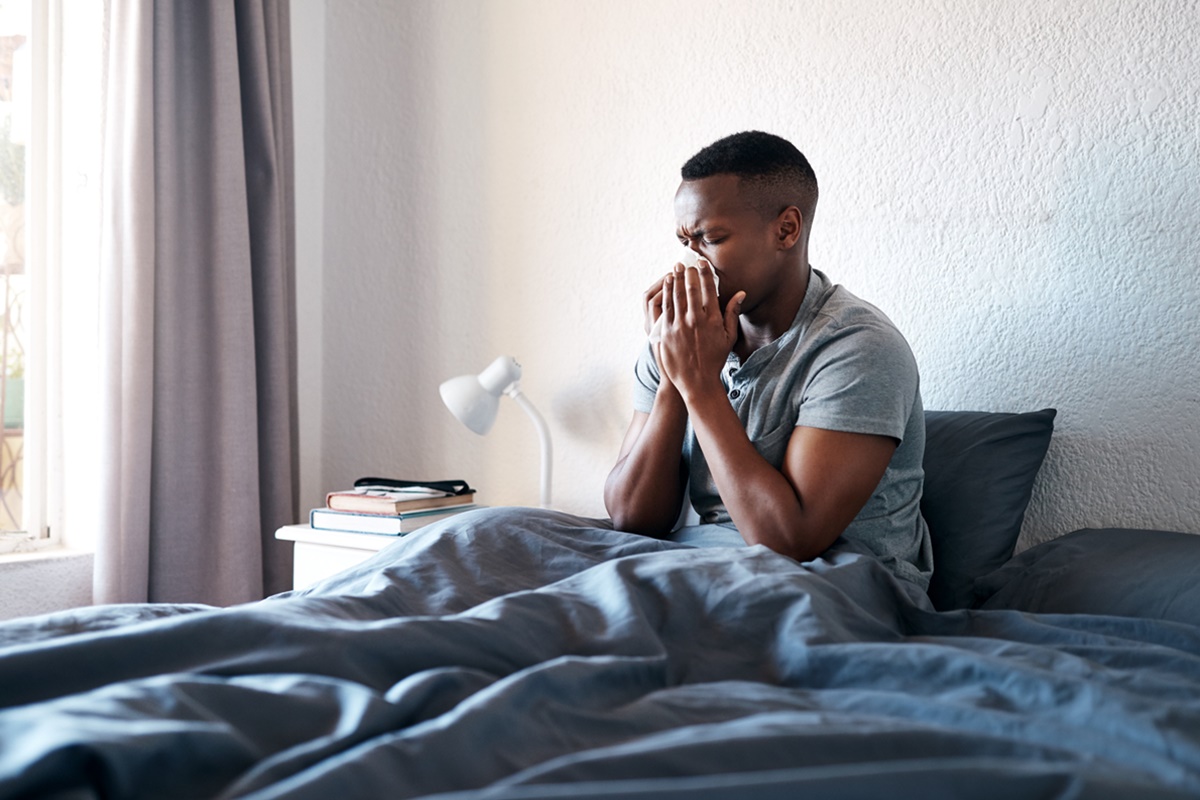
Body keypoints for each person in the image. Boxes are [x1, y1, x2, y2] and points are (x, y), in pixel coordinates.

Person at [604, 131, 933, 588]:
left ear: (786, 230)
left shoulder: (858, 347)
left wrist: (699, 386)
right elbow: (631, 518)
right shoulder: (682, 340)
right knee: (496, 533)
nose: (692, 265)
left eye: (711, 238)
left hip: (838, 582)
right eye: (686, 242)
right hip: (705, 567)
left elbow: (790, 540)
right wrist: (672, 380)